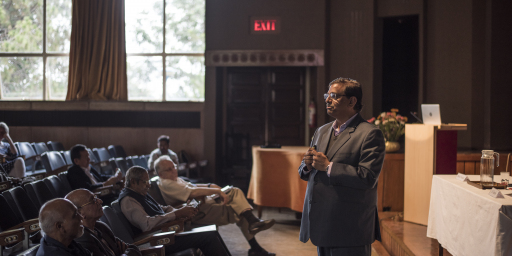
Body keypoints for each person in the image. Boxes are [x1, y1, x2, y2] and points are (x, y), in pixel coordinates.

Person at [299, 77, 386, 256]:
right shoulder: (321, 131)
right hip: (322, 222)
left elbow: (367, 177)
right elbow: (307, 171)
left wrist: (330, 166)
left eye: (334, 95)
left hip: (349, 226)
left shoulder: (369, 134)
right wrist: (307, 165)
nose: (327, 100)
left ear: (352, 101)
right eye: (327, 95)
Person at [155, 155, 276, 256]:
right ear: (160, 174)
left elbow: (193, 186)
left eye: (174, 167)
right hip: (197, 213)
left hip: (203, 205)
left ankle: (254, 230)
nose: (174, 170)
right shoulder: (167, 184)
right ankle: (254, 232)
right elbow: (193, 192)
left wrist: (209, 186)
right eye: (169, 169)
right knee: (238, 205)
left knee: (236, 197)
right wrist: (217, 191)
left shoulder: (174, 180)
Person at [119, 166, 232, 255]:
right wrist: (176, 214)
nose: (149, 185)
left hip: (165, 233)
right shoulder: (128, 200)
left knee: (212, 232)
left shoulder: (139, 192)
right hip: (157, 241)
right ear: (133, 182)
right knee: (209, 237)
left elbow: (160, 208)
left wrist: (180, 212)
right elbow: (147, 224)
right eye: (145, 181)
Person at [65, 189, 142, 256]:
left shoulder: (100, 226)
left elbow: (131, 248)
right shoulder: (82, 238)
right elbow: (130, 251)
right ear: (80, 213)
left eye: (96, 198)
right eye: (93, 200)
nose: (100, 201)